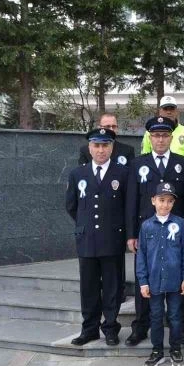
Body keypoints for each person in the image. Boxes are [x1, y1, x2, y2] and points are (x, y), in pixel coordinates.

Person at [124, 117, 184, 347]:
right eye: (156, 135)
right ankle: (141, 327)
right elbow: (131, 200)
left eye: (165, 135)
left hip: (175, 234)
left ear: (171, 138)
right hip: (148, 233)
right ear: (150, 138)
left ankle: (179, 329)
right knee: (146, 282)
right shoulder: (137, 164)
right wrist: (131, 234)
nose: (160, 139)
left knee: (178, 284)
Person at [65, 128, 128, 346]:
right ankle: (89, 329)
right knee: (89, 287)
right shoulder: (77, 174)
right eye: (97, 145)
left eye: (105, 145)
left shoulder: (122, 173)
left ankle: (110, 328)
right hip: (87, 239)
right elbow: (71, 206)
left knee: (112, 286)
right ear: (89, 148)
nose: (101, 150)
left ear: (112, 147)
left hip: (112, 239)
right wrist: (86, 226)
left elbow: (127, 207)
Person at [136, 182, 184, 366]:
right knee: (156, 316)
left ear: (173, 203)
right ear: (153, 201)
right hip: (154, 281)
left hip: (175, 281)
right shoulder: (146, 226)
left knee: (175, 316)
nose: (164, 205)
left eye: (169, 201)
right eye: (161, 200)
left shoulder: (180, 224)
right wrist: (143, 282)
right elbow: (141, 256)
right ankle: (157, 351)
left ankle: (175, 349)